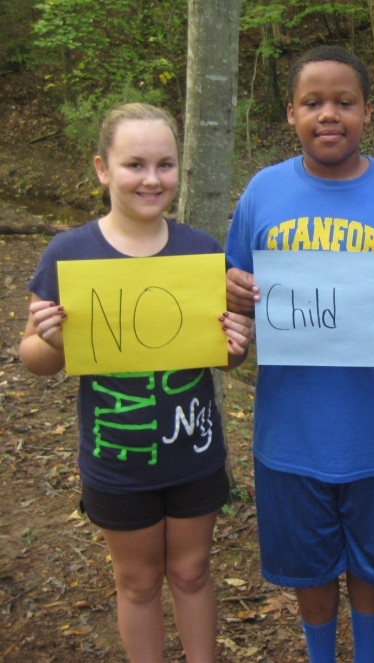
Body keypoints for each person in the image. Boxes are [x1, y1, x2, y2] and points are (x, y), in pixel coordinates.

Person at [224, 45, 374, 663]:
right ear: (291, 113)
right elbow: (234, 301)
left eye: (344, 102)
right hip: (290, 428)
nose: (329, 114)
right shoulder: (263, 192)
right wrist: (231, 293)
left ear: (368, 111)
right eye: (312, 103)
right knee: (310, 568)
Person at [19, 103, 254, 663]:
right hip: (116, 460)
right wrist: (51, 340)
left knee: (193, 572)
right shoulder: (69, 253)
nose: (152, 179)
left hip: (193, 453)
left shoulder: (200, 250)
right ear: (103, 169)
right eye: (135, 165)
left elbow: (224, 358)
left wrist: (237, 345)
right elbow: (34, 359)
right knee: (138, 582)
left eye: (165, 165)